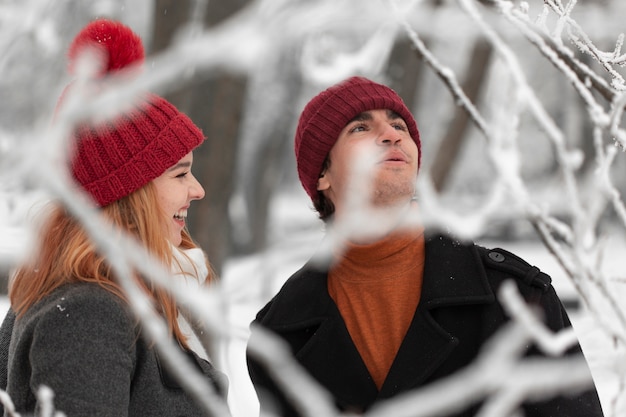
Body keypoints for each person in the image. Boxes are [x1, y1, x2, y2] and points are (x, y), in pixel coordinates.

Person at [246, 76, 604, 416]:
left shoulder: (516, 297)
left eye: (399, 126)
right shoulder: (279, 334)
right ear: (321, 174)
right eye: (360, 127)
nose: (390, 135)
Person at [0, 19, 227, 416]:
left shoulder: (93, 296)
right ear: (129, 192)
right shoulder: (88, 316)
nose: (197, 189)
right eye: (180, 173)